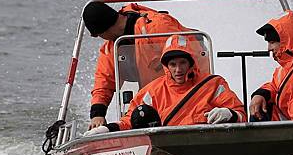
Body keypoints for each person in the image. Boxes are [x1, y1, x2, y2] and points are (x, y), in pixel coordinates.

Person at [85, 34, 246, 135]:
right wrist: (108, 129)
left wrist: (229, 114)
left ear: (191, 63)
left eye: (183, 63)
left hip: (206, 148)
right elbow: (131, 121)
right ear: (166, 66)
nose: (178, 69)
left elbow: (241, 116)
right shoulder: (152, 91)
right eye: (173, 64)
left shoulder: (213, 84)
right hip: (166, 151)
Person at [83, 1, 196, 130]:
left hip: (186, 93)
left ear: (102, 31)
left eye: (98, 35)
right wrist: (98, 114)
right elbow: (104, 81)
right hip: (154, 98)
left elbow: (194, 56)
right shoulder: (112, 48)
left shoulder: (157, 27)